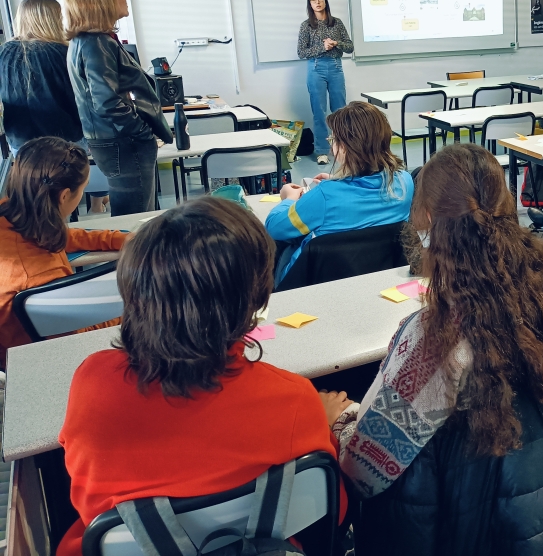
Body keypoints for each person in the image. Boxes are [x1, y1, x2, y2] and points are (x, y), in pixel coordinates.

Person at [334, 144, 543, 555]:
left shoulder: (434, 339)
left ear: (428, 221)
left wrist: (340, 419)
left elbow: (363, 470)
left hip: (468, 527)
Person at [57, 197, 351, 556]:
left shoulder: (92, 382)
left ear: (135, 293)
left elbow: (82, 487)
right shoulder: (294, 399)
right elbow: (331, 511)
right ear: (256, 297)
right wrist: (324, 425)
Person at [0, 138, 126, 366]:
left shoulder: (11, 212)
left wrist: (118, 239)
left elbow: (54, 233)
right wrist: (132, 309)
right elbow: (77, 336)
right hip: (36, 360)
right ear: (65, 195)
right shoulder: (42, 279)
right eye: (82, 191)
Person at [64, 0, 172, 216]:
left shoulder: (87, 41)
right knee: (135, 219)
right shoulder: (96, 43)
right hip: (124, 143)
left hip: (113, 141)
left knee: (136, 214)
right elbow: (107, 102)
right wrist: (141, 131)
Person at [266, 101, 413, 283]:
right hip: (379, 275)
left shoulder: (324, 196)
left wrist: (287, 198)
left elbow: (274, 228)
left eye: (333, 140)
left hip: (313, 282)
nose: (331, 147)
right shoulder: (405, 181)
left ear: (344, 147)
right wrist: (341, 181)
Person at [0, 0, 82, 152]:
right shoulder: (63, 53)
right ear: (53, 20)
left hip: (20, 142)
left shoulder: (3, 53)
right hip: (64, 140)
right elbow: (78, 99)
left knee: (30, 177)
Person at [298, 0, 354, 165]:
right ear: (310, 4)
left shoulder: (336, 23)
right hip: (316, 69)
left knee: (340, 111)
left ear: (325, 1)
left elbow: (350, 46)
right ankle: (322, 151)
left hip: (336, 67)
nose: (317, 2)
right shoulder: (306, 25)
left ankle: (344, 148)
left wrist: (336, 43)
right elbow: (301, 52)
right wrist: (323, 47)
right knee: (319, 111)